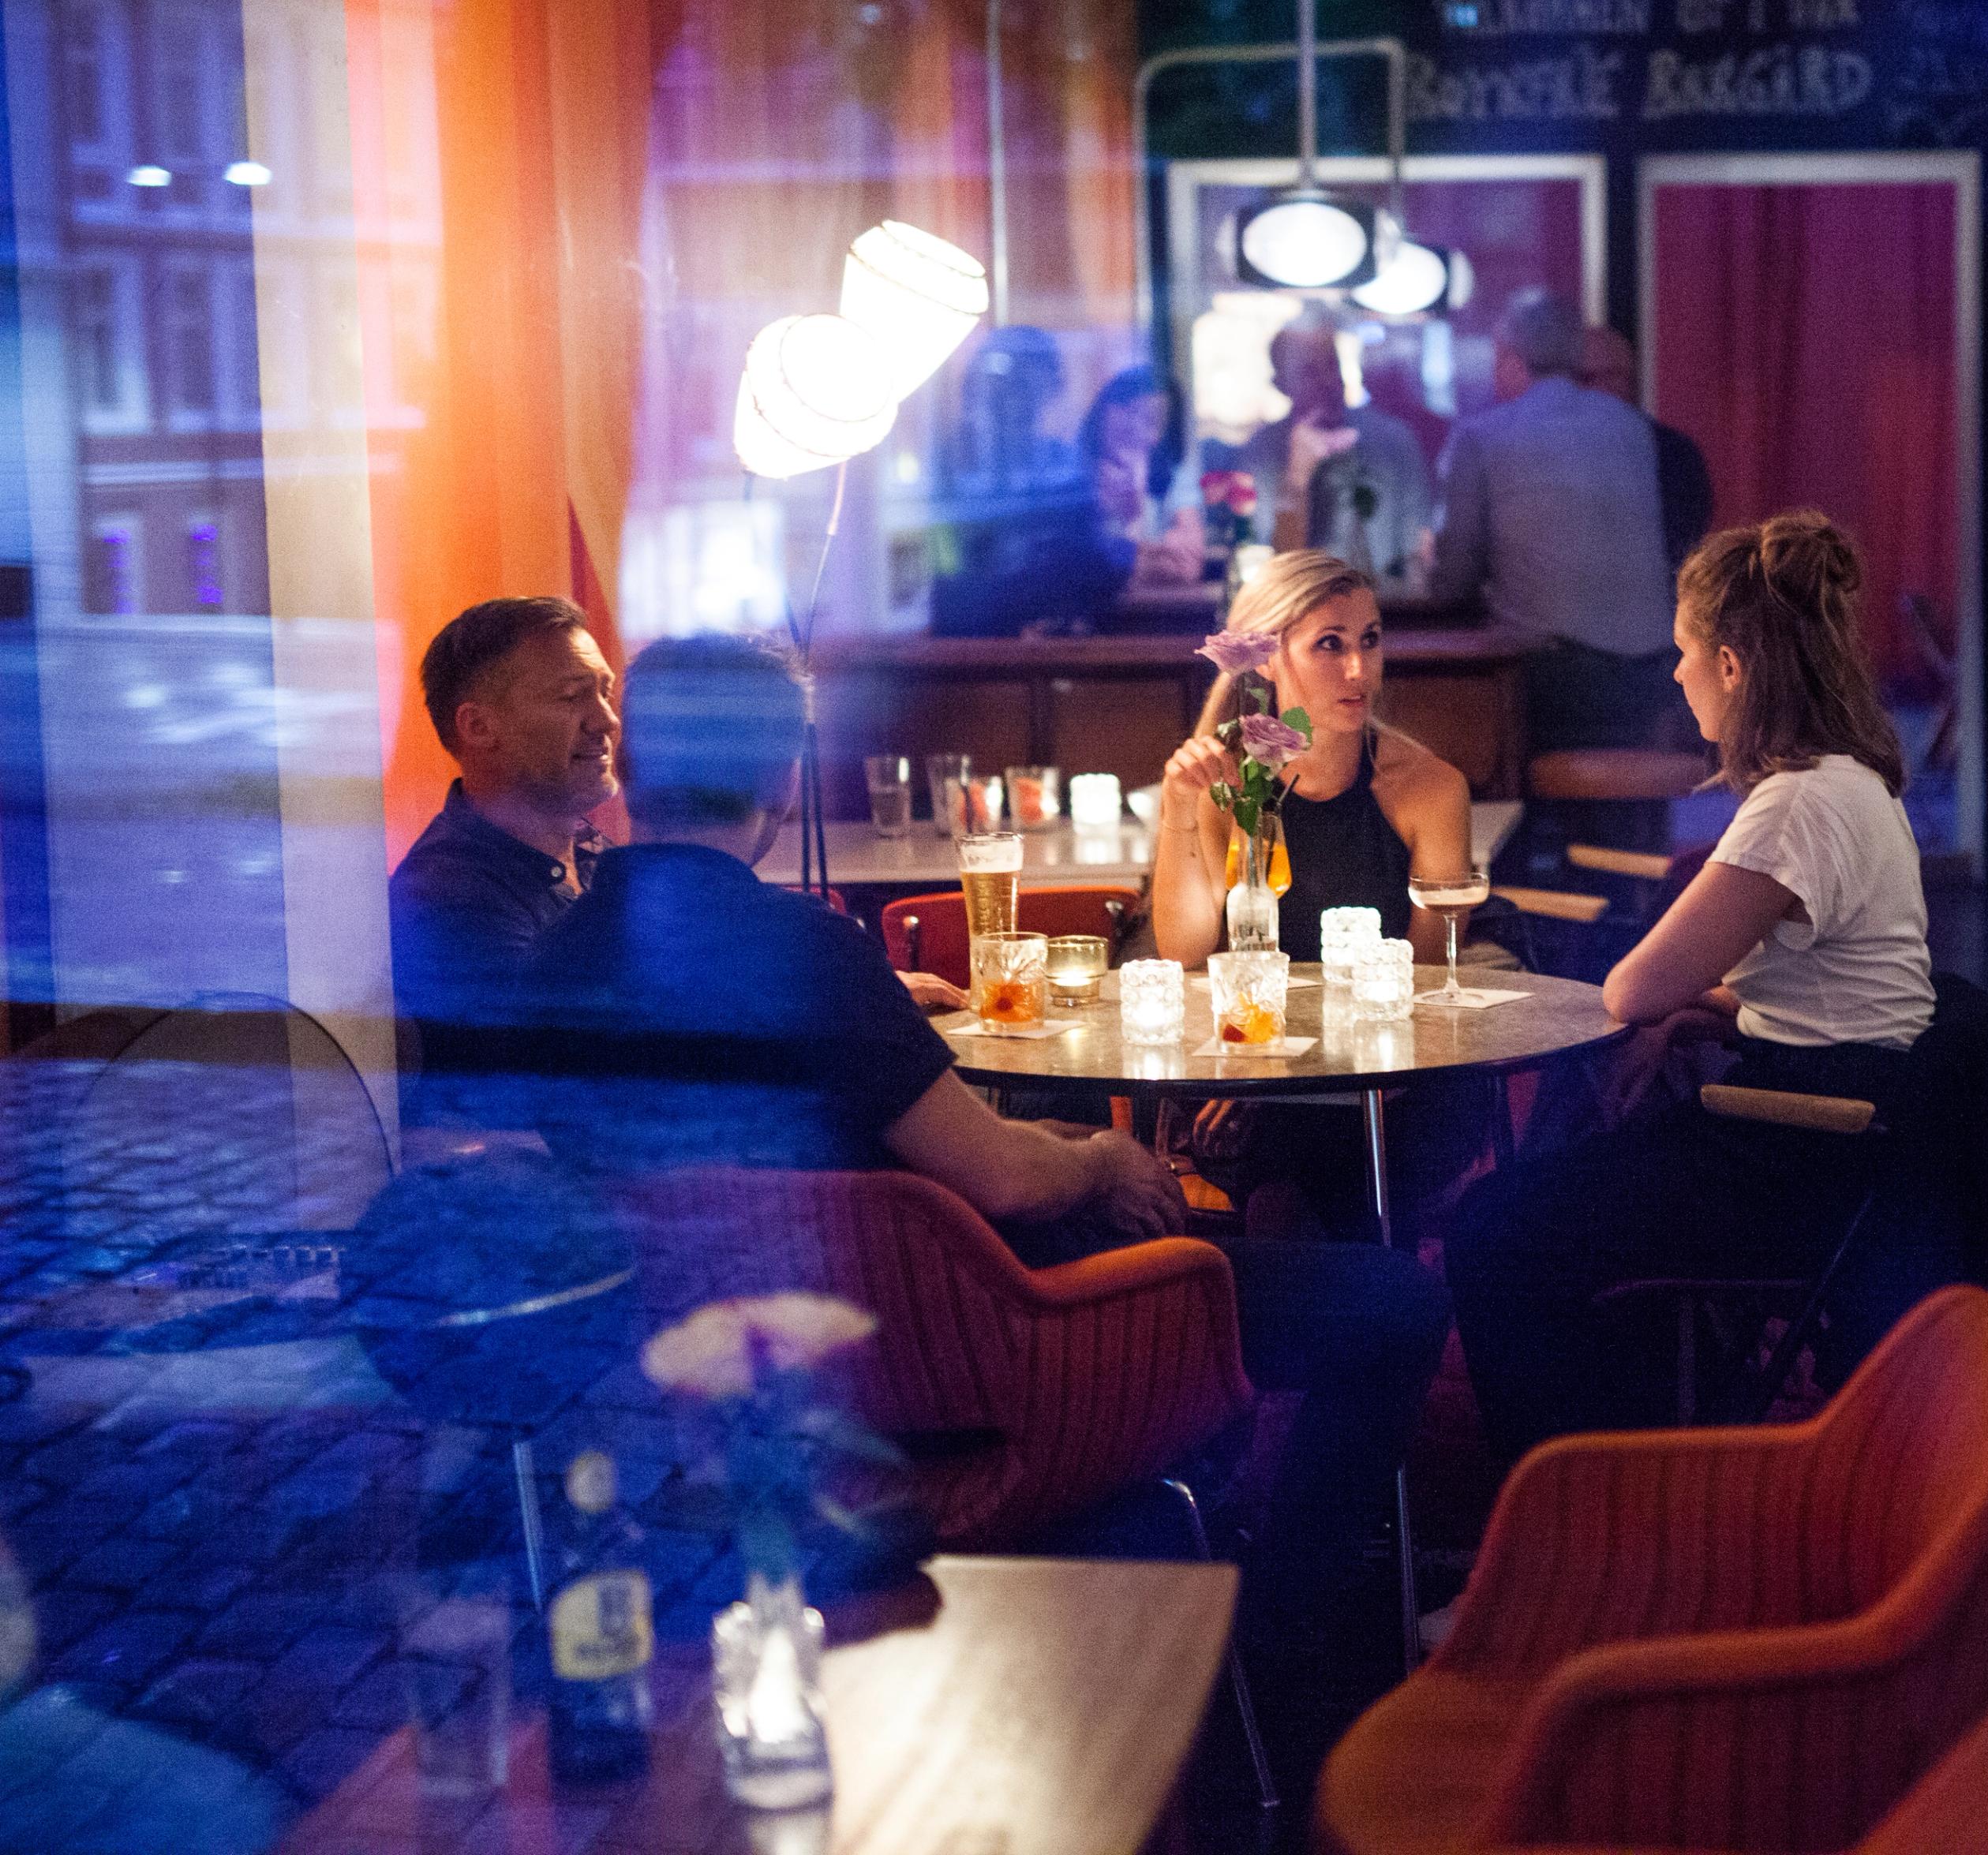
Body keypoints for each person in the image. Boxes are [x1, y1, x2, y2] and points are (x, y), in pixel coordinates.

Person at [519, 634, 1451, 1692]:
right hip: (965, 1359)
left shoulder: (555, 953)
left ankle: (1175, 1555)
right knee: (1392, 1303)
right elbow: (1001, 1183)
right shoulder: (804, 949)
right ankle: (1283, 1640)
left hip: (711, 1392)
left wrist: (1046, 1149)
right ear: (784, 773)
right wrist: (1101, 1157)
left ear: (633, 765)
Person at [1443, 512, 1936, 1457]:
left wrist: (1667, 1013)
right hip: (1852, 1128)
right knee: (1563, 1171)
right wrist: (1699, 1017)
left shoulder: (1791, 807)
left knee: (1492, 1231)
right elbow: (1833, 996)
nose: (1675, 675)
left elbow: (1631, 990)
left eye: (1684, 654)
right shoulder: (1853, 782)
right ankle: (1634, 1425)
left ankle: (1574, 1508)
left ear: (1734, 667)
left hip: (1795, 1153)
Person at [1149, 549, 1471, 970]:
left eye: (1369, 640)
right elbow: (1182, 954)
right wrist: (1178, 810)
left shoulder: (1431, 789)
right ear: (1264, 660)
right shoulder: (1224, 783)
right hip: (1256, 1026)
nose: (1359, 669)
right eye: (1330, 644)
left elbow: (1430, 973)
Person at [387, 596, 620, 1126]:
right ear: (477, 728)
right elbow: (570, 1084)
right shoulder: (449, 899)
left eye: (605, 692)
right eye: (571, 698)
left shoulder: (596, 856)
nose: (606, 720)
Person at [1423, 291, 1682, 751]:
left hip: (1555, 681)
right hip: (1655, 676)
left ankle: (1511, 821)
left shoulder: (1481, 436)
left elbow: (1453, 582)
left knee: (1448, 730)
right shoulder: (1635, 428)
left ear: (1509, 357)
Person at [1226, 311, 1433, 593]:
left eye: (1332, 366)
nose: (1328, 381)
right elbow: (1263, 565)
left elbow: (1418, 550)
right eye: (1310, 371)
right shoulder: (1260, 454)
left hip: (1388, 612)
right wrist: (1296, 480)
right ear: (1281, 384)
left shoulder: (1395, 442)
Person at [930, 326, 1110, 634]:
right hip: (970, 639)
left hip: (1053, 639)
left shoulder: (1065, 463)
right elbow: (948, 562)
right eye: (1007, 386)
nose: (1018, 400)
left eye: (1030, 387)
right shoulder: (953, 463)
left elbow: (1087, 559)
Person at [1580, 324, 1716, 571]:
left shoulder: (1673, 453)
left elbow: (1682, 547)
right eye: (1592, 377)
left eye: (1622, 376)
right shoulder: (1559, 453)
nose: (1614, 386)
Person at [1077, 364, 1207, 592]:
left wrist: (1125, 556)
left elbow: (1187, 564)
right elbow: (1076, 567)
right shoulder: (1071, 477)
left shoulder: (1173, 479)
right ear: (1102, 411)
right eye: (1127, 410)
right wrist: (1151, 552)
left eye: (1151, 420)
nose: (1134, 426)